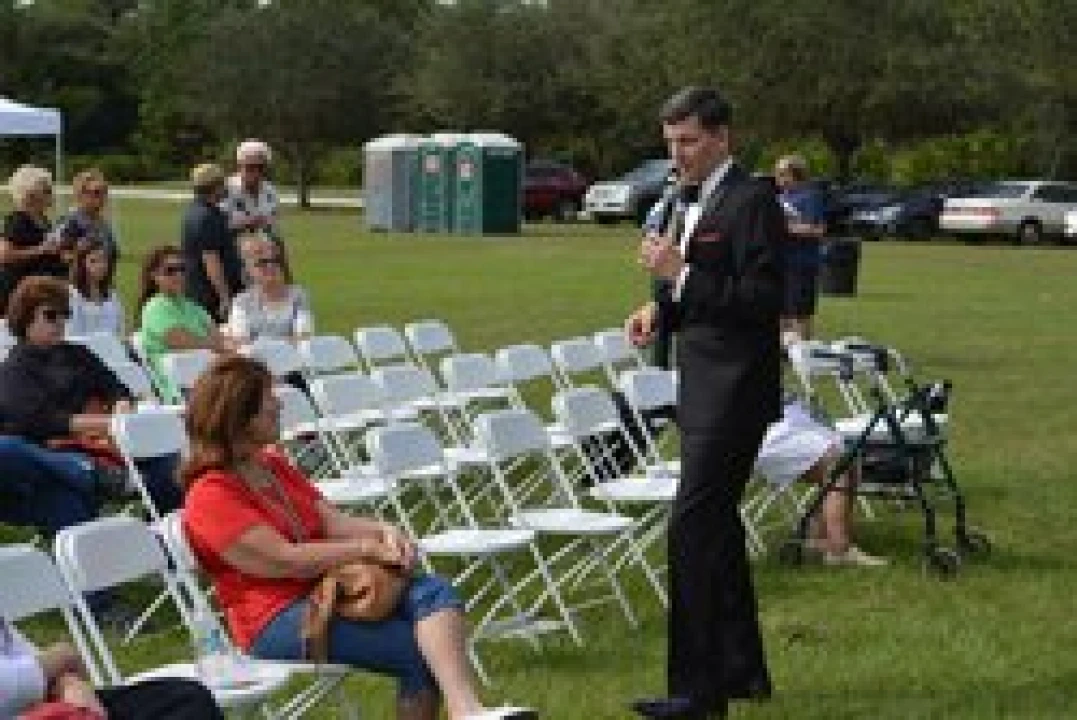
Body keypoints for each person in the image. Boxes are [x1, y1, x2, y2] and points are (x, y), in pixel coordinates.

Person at [181, 356, 536, 720]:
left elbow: (332, 522)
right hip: (273, 620)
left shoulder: (272, 466)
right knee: (418, 649)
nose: (279, 404)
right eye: (268, 398)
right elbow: (286, 561)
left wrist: (385, 531)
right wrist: (367, 548)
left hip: (327, 590)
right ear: (239, 416)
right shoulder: (210, 495)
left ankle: (466, 710)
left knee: (434, 592)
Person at [625, 86, 784, 718]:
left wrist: (681, 275)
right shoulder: (681, 199)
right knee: (715, 529)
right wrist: (658, 308)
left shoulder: (753, 200)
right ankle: (742, 672)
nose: (678, 154)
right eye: (670, 142)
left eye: (688, 141)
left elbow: (763, 300)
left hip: (736, 390)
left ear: (722, 138)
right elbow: (695, 292)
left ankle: (696, 692)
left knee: (691, 530)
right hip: (700, 385)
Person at [0, 276, 183, 517]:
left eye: (65, 314)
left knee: (169, 465)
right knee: (62, 497)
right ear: (25, 318)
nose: (61, 322)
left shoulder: (77, 353)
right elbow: (40, 421)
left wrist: (121, 406)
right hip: (56, 448)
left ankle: (164, 529)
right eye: (51, 315)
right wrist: (107, 423)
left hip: (105, 443)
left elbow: (115, 387)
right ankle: (90, 474)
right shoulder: (15, 369)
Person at [754, 394, 887, 566]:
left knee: (848, 459)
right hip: (759, 431)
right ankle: (839, 548)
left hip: (783, 419)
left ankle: (822, 539)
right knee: (837, 463)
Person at [1, 617, 223, 719]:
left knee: (186, 697)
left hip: (44, 703)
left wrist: (71, 685)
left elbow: (24, 656)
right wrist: (63, 655)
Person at [136, 246, 238, 403]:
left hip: (207, 377)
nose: (178, 275)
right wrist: (213, 345)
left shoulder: (194, 308)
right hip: (179, 387)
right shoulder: (155, 308)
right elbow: (181, 342)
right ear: (154, 276)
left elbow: (219, 340)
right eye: (170, 270)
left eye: (182, 269)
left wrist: (218, 345)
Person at [0, 165, 70, 315]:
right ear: (31, 194)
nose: (51, 194)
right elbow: (5, 255)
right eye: (47, 190)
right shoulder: (17, 220)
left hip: (42, 293)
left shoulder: (44, 220)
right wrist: (41, 249)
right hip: (20, 294)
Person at [181, 164, 244, 323]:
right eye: (223, 183)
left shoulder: (196, 211)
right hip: (210, 296)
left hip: (201, 291)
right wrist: (224, 296)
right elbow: (211, 258)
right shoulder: (207, 218)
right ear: (215, 186)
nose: (226, 187)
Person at [774, 155, 827, 341]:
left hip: (801, 265)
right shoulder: (779, 198)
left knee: (799, 313)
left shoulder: (810, 196)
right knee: (780, 312)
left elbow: (818, 230)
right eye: (777, 173)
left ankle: (803, 349)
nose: (778, 178)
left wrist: (785, 228)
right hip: (780, 263)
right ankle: (782, 350)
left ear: (796, 174)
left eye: (783, 173)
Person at [228, 235, 312, 344]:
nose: (270, 266)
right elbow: (241, 342)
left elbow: (303, 336)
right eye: (262, 262)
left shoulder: (298, 296)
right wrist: (287, 341)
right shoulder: (241, 302)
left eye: (276, 261)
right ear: (249, 269)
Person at [56, 168, 119, 266]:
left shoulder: (104, 224)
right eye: (96, 192)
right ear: (80, 194)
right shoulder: (70, 222)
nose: (102, 197)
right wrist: (78, 252)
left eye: (104, 192)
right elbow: (59, 257)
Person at [222, 140, 280, 241]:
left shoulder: (271, 191)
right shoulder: (226, 190)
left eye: (261, 167)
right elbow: (216, 227)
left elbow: (274, 230)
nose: (256, 173)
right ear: (239, 166)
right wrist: (246, 223)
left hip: (264, 246)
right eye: (250, 167)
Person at [67, 240, 124, 337]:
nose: (100, 266)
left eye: (103, 260)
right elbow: (72, 333)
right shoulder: (73, 295)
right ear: (82, 264)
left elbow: (119, 329)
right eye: (93, 261)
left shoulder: (112, 296)